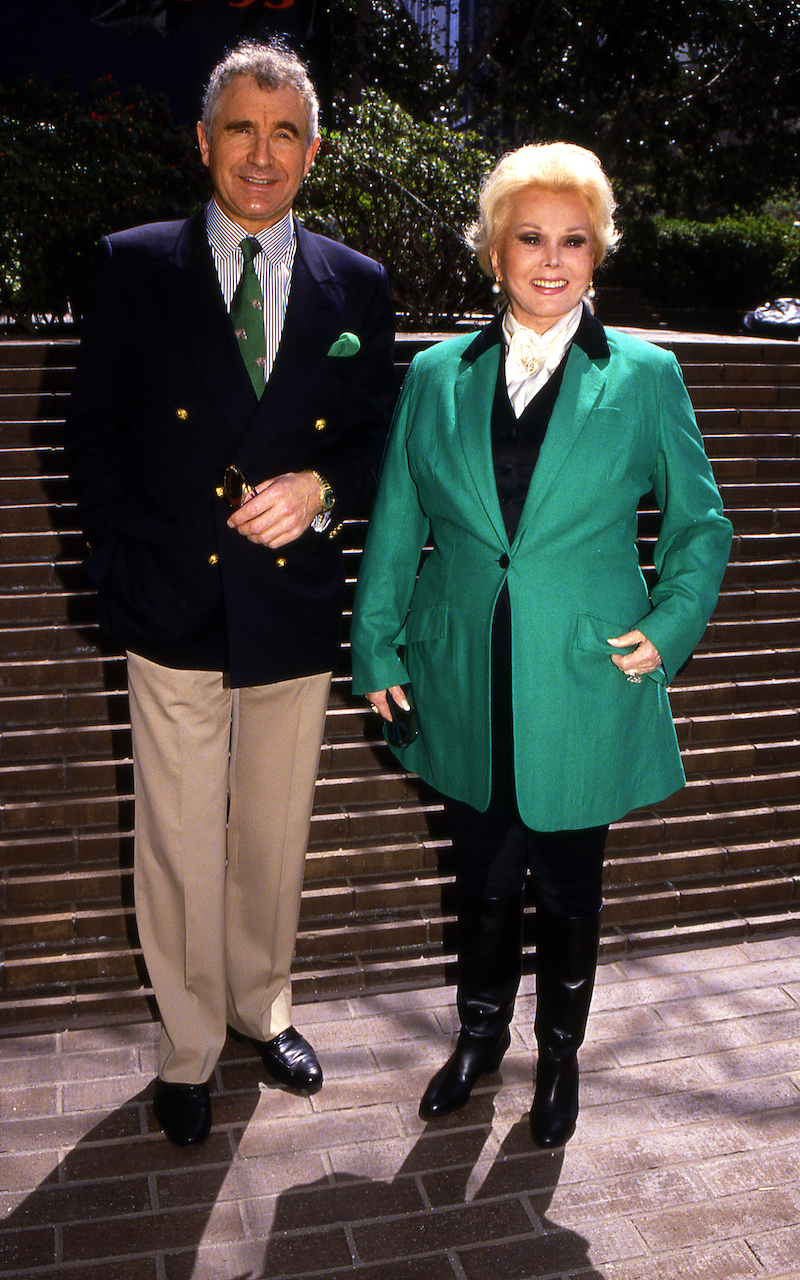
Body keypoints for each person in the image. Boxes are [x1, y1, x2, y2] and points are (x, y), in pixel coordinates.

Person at [350, 143, 732, 1149]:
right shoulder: (435, 373)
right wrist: (377, 647)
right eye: (529, 238)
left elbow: (700, 524)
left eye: (572, 239)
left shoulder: (645, 374)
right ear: (493, 251)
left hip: (582, 676)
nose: (550, 260)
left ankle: (556, 1058)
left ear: (597, 251)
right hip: (461, 673)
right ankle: (478, 1039)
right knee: (476, 876)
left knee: (566, 884)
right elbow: (395, 520)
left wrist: (667, 625)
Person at [65, 38, 397, 1146]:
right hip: (171, 595)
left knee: (271, 832)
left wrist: (320, 489)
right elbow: (94, 433)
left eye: (285, 131)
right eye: (241, 129)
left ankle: (264, 1007)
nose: (262, 154)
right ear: (203, 141)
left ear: (314, 149)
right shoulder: (130, 263)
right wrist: (114, 558)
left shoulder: (359, 284)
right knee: (175, 838)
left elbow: (372, 440)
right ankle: (189, 1045)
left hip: (290, 601)